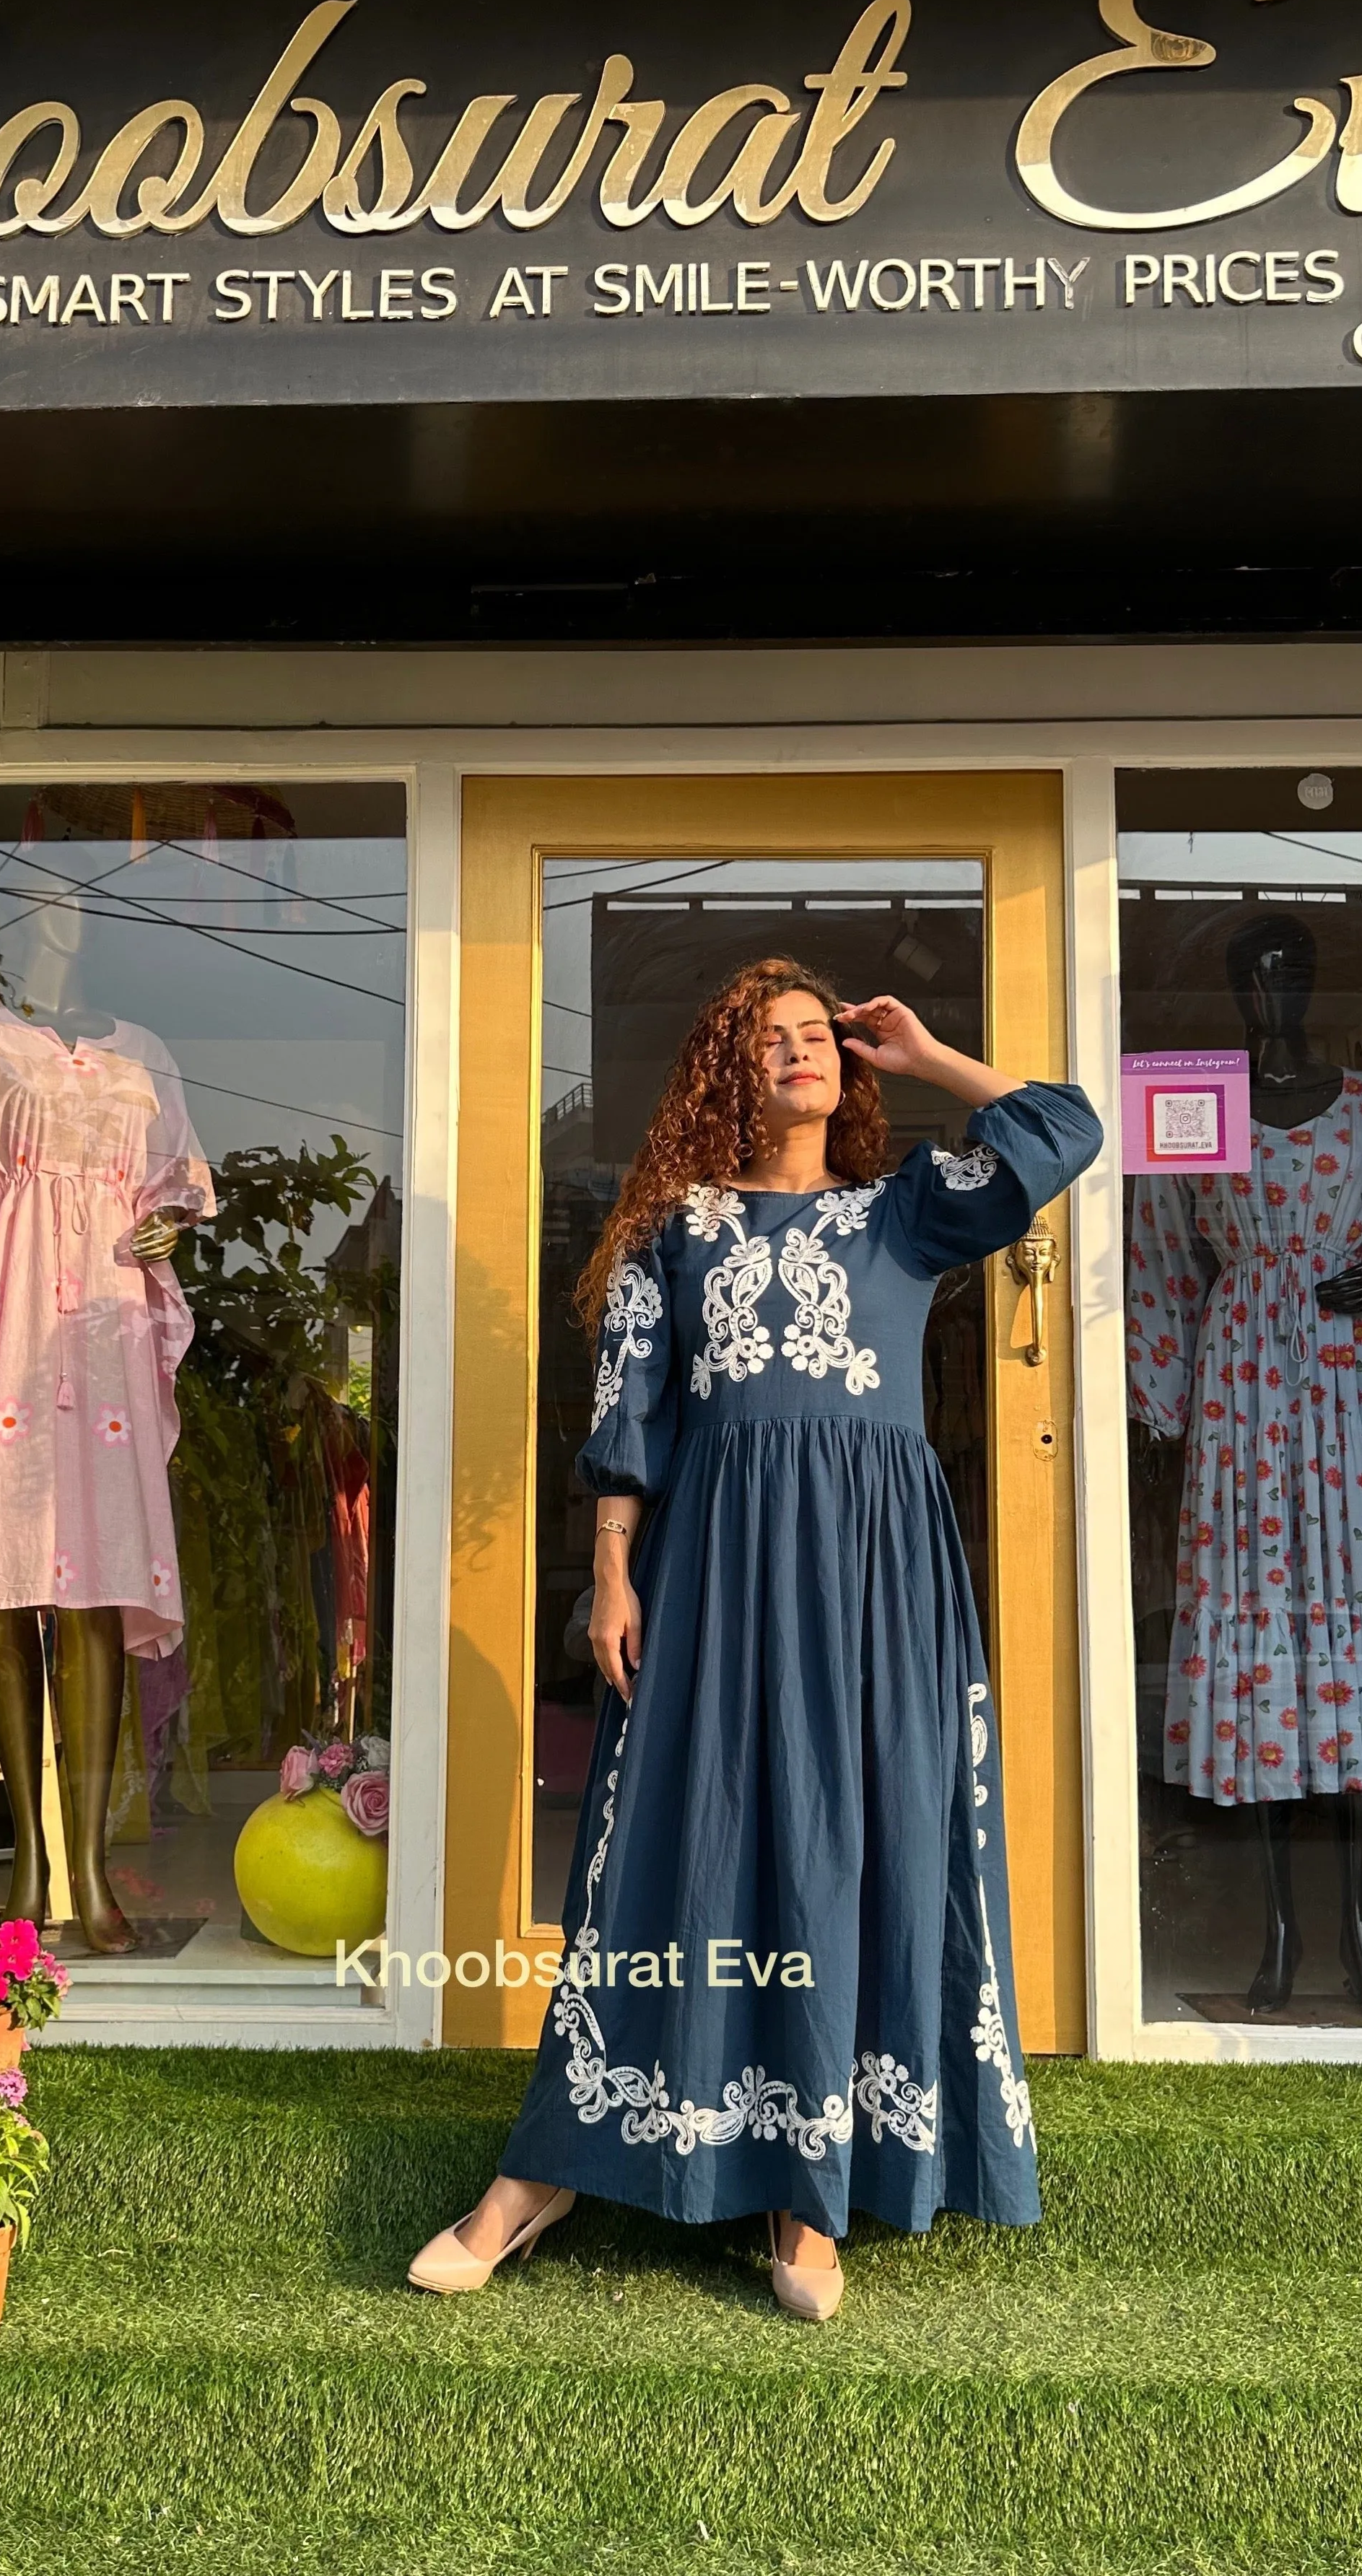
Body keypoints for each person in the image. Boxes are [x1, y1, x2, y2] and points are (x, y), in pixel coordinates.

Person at [408, 958, 1102, 2318]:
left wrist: (927, 1054)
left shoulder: (906, 1211)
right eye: (770, 1040)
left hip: (872, 1573)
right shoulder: (678, 1228)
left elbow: (1063, 1128)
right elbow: (629, 1420)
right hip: (713, 1561)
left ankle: (811, 2186)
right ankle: (541, 2176)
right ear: (728, 1076)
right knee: (681, 1831)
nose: (799, 1053)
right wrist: (610, 1575)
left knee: (860, 1837)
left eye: (815, 1037)